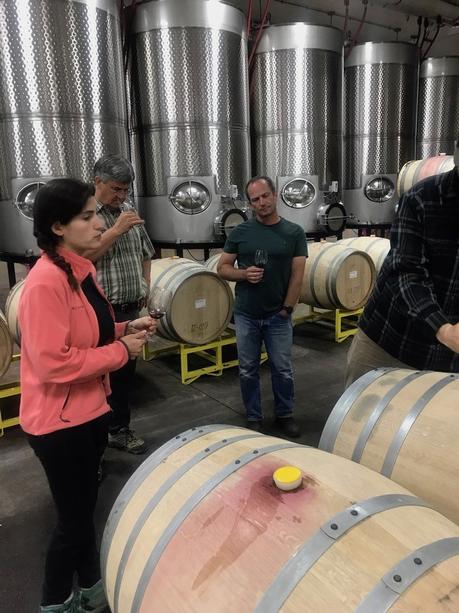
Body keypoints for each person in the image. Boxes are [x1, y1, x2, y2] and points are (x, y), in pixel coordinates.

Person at [18, 178, 156, 612]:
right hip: (59, 425)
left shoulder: (80, 270)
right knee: (73, 523)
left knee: (82, 514)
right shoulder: (45, 283)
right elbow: (52, 363)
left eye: (97, 212)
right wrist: (120, 352)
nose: (100, 223)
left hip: (90, 412)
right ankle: (55, 601)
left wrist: (123, 329)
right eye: (88, 216)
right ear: (58, 227)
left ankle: (93, 588)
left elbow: (86, 334)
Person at [345, 137, 459, 387]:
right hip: (390, 338)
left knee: (432, 424)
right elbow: (406, 272)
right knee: (357, 417)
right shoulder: (422, 198)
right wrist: (444, 328)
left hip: (448, 359)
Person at [217, 176, 307, 437]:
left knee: (282, 369)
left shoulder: (294, 232)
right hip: (246, 314)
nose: (262, 202)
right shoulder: (240, 232)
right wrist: (244, 275)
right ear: (250, 203)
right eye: (255, 199)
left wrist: (287, 309)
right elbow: (223, 268)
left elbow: (297, 275)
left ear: (275, 195)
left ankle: (285, 414)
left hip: (278, 315)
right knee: (247, 369)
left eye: (265, 196)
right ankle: (254, 416)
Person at [84, 154, 155, 454]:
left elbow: (146, 254)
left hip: (129, 310)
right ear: (97, 181)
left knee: (124, 377)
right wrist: (114, 231)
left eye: (126, 190)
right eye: (116, 189)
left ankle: (119, 429)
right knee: (95, 380)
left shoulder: (129, 213)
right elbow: (82, 259)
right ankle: (93, 446)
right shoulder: (87, 217)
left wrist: (145, 289)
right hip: (100, 313)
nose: (122, 196)